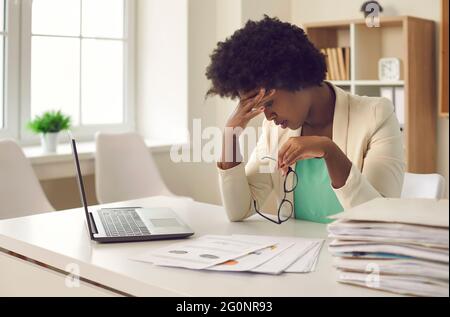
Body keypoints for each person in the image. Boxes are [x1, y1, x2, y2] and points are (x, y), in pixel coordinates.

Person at [205, 16, 405, 224]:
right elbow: (239, 210)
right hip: (300, 252)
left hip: (353, 253)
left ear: (297, 79)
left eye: (270, 103)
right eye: (260, 107)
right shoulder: (275, 131)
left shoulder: (376, 115)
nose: (267, 116)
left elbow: (380, 218)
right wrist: (230, 135)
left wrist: (330, 151)